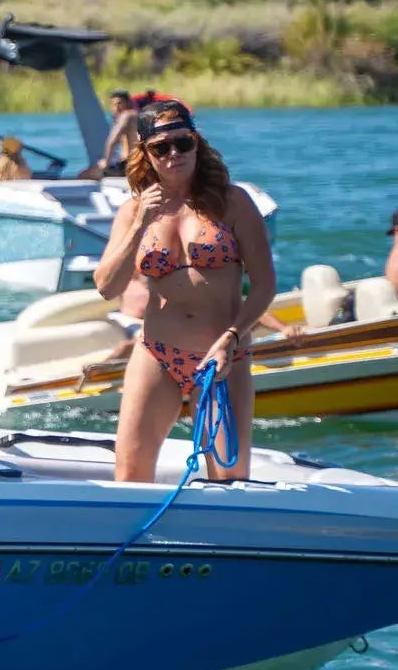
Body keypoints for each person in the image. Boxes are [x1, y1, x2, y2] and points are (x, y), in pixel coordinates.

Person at [94, 100, 274, 484]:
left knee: (229, 480)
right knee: (130, 477)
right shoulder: (133, 211)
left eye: (183, 142)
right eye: (161, 147)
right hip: (157, 354)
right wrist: (141, 223)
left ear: (197, 143)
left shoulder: (233, 202)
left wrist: (231, 338)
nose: (174, 153)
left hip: (222, 358)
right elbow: (107, 287)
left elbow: (265, 285)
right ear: (145, 152)